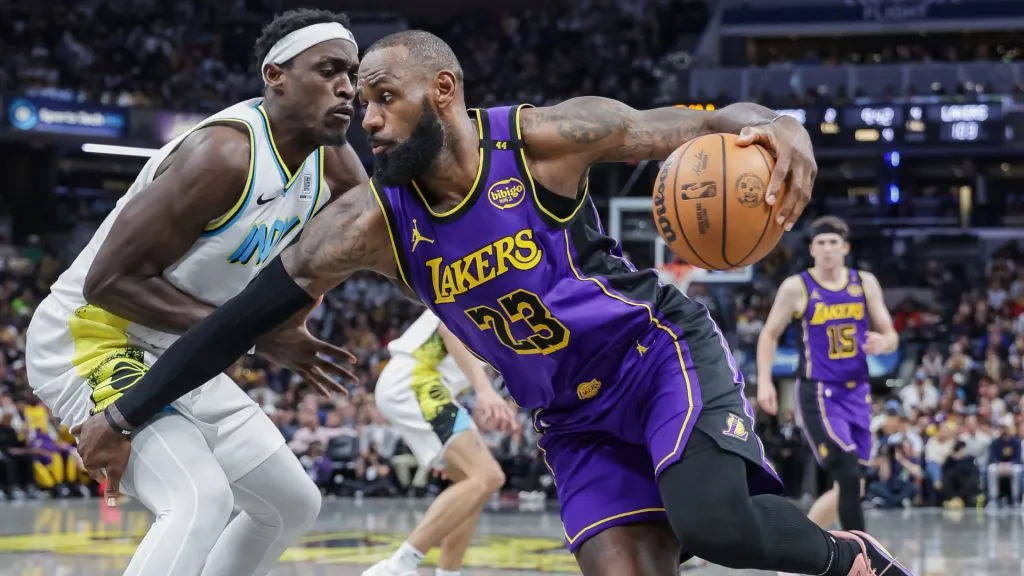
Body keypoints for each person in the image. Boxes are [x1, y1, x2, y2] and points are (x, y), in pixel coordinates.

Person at [75, 30, 913, 576]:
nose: (365, 120)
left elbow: (693, 127)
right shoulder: (368, 226)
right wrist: (127, 414)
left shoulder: (545, 140)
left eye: (381, 99)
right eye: (361, 103)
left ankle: (854, 558)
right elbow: (234, 323)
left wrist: (776, 122)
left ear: (442, 91)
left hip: (652, 356)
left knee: (719, 526)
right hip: (569, 421)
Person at [27, 9, 367, 576]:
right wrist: (258, 336)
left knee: (290, 505)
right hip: (92, 334)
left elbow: (390, 239)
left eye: (353, 75)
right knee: (197, 500)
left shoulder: (331, 162)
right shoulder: (223, 154)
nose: (347, 88)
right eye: (329, 69)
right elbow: (108, 283)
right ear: (275, 73)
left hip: (182, 345)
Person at [757, 216, 899, 535]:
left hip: (858, 390)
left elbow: (891, 335)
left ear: (845, 247)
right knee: (848, 474)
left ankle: (796, 553)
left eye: (833, 242)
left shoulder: (864, 282)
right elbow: (769, 334)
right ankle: (860, 558)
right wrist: (765, 381)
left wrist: (883, 343)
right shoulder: (796, 287)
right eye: (821, 243)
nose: (827, 248)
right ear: (811, 249)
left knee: (851, 486)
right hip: (819, 391)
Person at [365, 309, 516, 576]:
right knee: (488, 477)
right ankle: (397, 567)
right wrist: (483, 390)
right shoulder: (489, 279)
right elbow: (449, 329)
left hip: (427, 386)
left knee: (473, 484)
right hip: (416, 381)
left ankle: (448, 572)